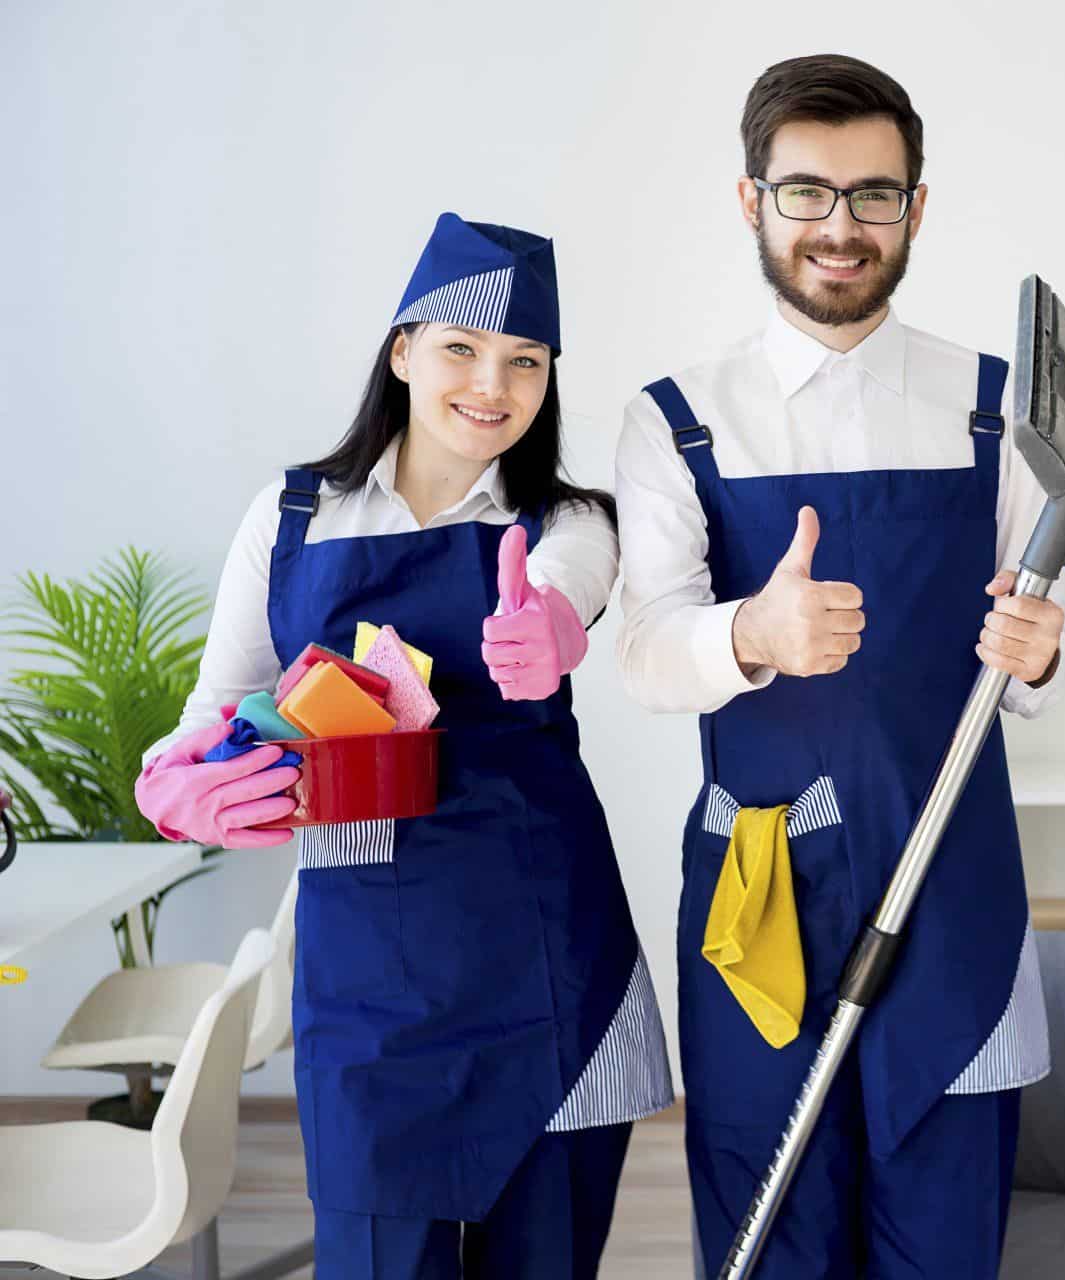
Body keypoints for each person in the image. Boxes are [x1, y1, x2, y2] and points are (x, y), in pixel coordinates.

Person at [136, 212, 672, 1278]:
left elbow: (571, 587)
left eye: (526, 361)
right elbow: (210, 713)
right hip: (368, 987)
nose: (494, 383)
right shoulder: (294, 517)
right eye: (463, 349)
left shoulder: (572, 521)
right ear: (402, 351)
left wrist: (550, 630)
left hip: (554, 964)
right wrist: (171, 783)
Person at [614, 54, 1065, 1277]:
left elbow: (1038, 636)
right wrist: (752, 635)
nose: (840, 226)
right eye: (806, 192)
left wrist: (1042, 648)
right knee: (775, 1230)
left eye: (875, 195)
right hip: (762, 881)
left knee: (943, 1222)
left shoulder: (1001, 410)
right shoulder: (679, 419)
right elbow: (646, 653)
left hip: (954, 879)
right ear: (752, 200)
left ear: (917, 208)